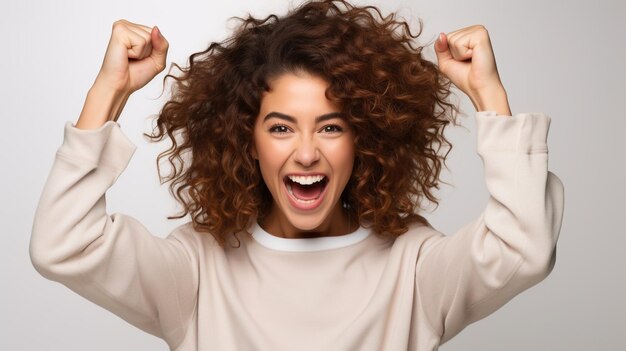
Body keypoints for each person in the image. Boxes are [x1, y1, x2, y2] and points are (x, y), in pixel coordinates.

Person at [29, 0, 564, 350]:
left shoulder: (414, 268)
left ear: (366, 139)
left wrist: (488, 97)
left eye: (331, 127)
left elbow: (524, 247)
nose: (306, 154)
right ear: (247, 140)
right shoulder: (197, 269)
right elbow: (62, 244)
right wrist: (110, 91)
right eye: (281, 128)